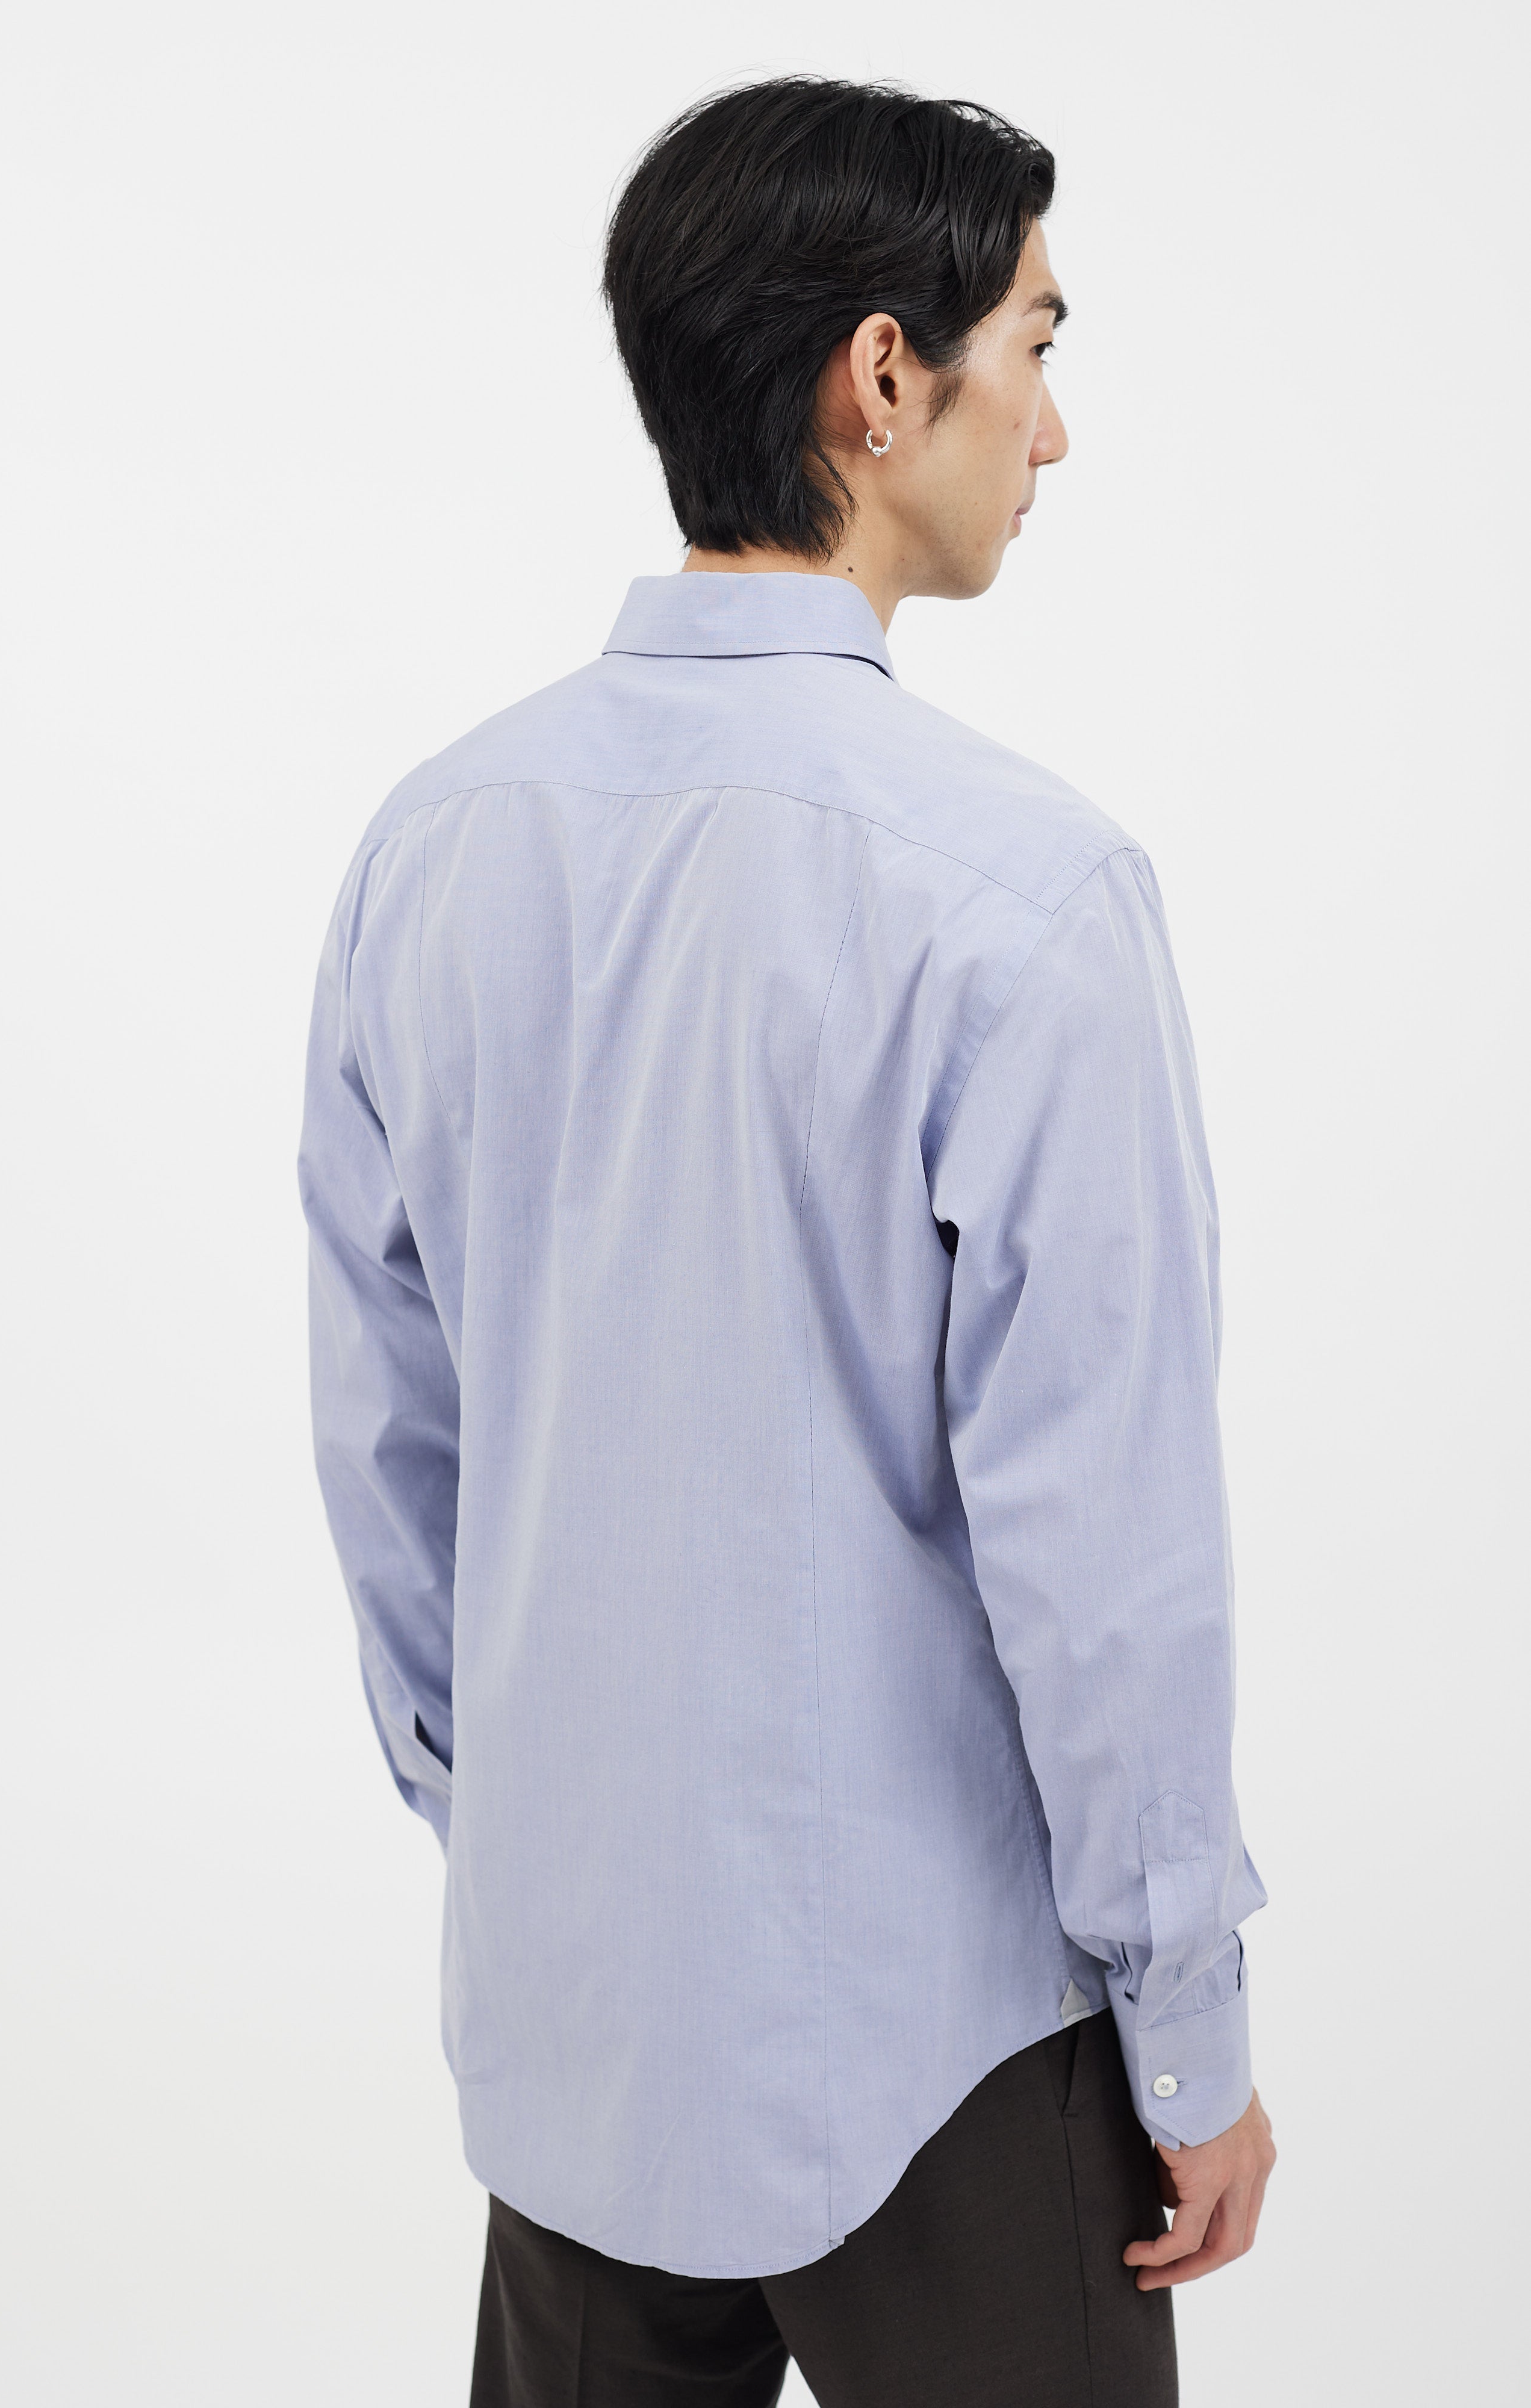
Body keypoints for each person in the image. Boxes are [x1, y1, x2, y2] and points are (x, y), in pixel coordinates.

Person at [299, 75, 1274, 2408]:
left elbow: (389, 1447)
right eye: (1035, 345)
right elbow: (1103, 1543)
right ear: (880, 376)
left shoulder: (433, 845)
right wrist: (1191, 2020)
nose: (1054, 429)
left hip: (574, 2026)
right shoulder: (1023, 892)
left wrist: (528, 1825)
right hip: (938, 2049)